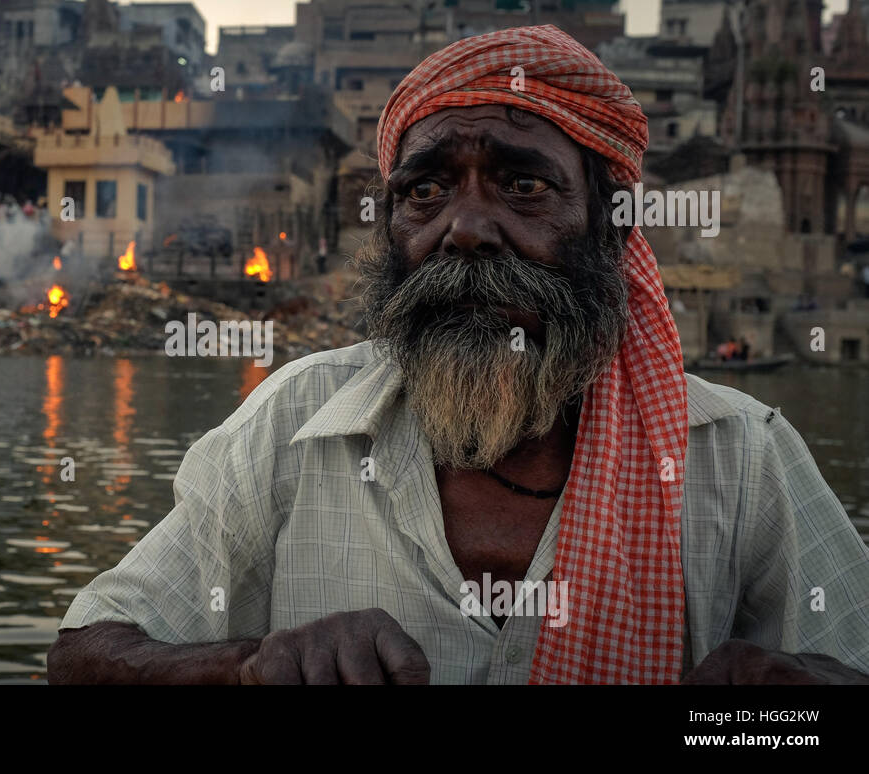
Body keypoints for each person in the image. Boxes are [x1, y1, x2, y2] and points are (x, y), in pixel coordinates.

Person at [47, 26, 869, 685]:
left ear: (611, 226)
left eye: (522, 186)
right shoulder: (287, 427)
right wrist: (250, 665)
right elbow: (81, 655)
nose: (464, 229)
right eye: (426, 191)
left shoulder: (739, 457)